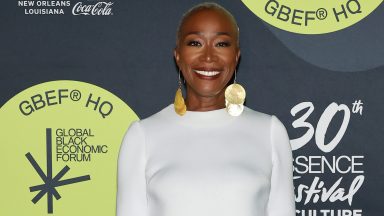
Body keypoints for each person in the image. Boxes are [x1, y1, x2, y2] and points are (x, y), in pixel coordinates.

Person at [116, 2, 296, 216]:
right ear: (178, 55)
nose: (208, 57)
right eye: (195, 43)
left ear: (236, 56)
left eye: (221, 44)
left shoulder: (270, 131)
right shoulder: (142, 135)